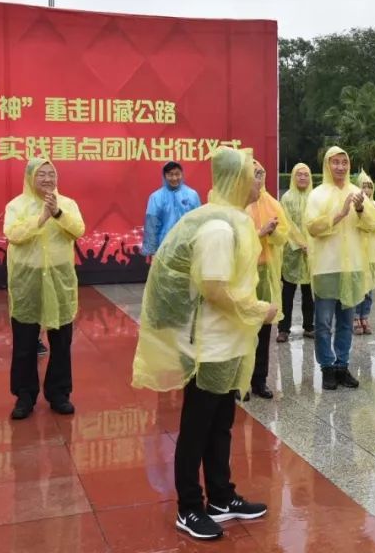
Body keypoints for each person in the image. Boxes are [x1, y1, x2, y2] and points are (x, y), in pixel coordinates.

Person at [132, 146, 273, 541]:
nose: (259, 180)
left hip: (226, 341)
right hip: (208, 343)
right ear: (236, 179)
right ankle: (189, 507)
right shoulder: (218, 228)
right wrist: (256, 309)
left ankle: (221, 496)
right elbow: (214, 289)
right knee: (197, 425)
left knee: (221, 422)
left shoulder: (232, 219)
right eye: (254, 172)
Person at [4, 158, 85, 420]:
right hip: (27, 279)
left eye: (51, 174)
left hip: (59, 279)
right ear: (30, 178)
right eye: (42, 174)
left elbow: (78, 230)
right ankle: (24, 395)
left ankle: (59, 393)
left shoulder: (68, 203)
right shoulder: (16, 205)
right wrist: (41, 218)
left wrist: (58, 214)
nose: (48, 179)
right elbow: (13, 234)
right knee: (25, 341)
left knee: (61, 340)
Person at [304, 146, 375, 391]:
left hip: (352, 268)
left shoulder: (357, 192)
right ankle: (327, 367)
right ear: (327, 165)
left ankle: (342, 364)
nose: (340, 167)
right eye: (335, 162)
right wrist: (339, 214)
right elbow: (312, 227)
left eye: (344, 162)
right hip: (326, 267)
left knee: (346, 321)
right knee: (323, 322)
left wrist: (361, 209)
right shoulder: (317, 195)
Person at [246, 160, 290, 399]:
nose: (259, 178)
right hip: (243, 274)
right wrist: (259, 233)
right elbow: (236, 240)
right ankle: (240, 381)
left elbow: (284, 235)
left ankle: (259, 380)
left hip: (265, 272)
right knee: (244, 329)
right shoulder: (239, 204)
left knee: (264, 329)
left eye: (261, 173)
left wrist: (273, 232)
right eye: (254, 174)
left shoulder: (273, 203)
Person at [277, 163, 314, 343]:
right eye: (299, 174)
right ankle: (284, 329)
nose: (302, 178)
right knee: (288, 293)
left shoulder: (315, 198)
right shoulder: (286, 198)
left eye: (306, 175)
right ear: (293, 176)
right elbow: (287, 224)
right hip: (291, 253)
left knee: (309, 292)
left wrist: (311, 245)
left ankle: (309, 326)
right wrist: (301, 244)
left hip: (312, 253)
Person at [142, 161, 202, 256]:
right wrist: (151, 251)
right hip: (164, 247)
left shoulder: (192, 195)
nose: (174, 178)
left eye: (177, 174)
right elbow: (151, 226)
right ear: (164, 176)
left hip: (187, 246)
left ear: (182, 174)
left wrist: (199, 246)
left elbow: (199, 222)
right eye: (170, 175)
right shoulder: (156, 197)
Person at [354, 171, 375, 335]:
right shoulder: (354, 206)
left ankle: (365, 315)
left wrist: (367, 222)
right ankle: (355, 317)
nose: (366, 190)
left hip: (372, 254)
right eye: (363, 186)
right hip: (358, 254)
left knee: (369, 288)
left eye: (369, 186)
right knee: (357, 286)